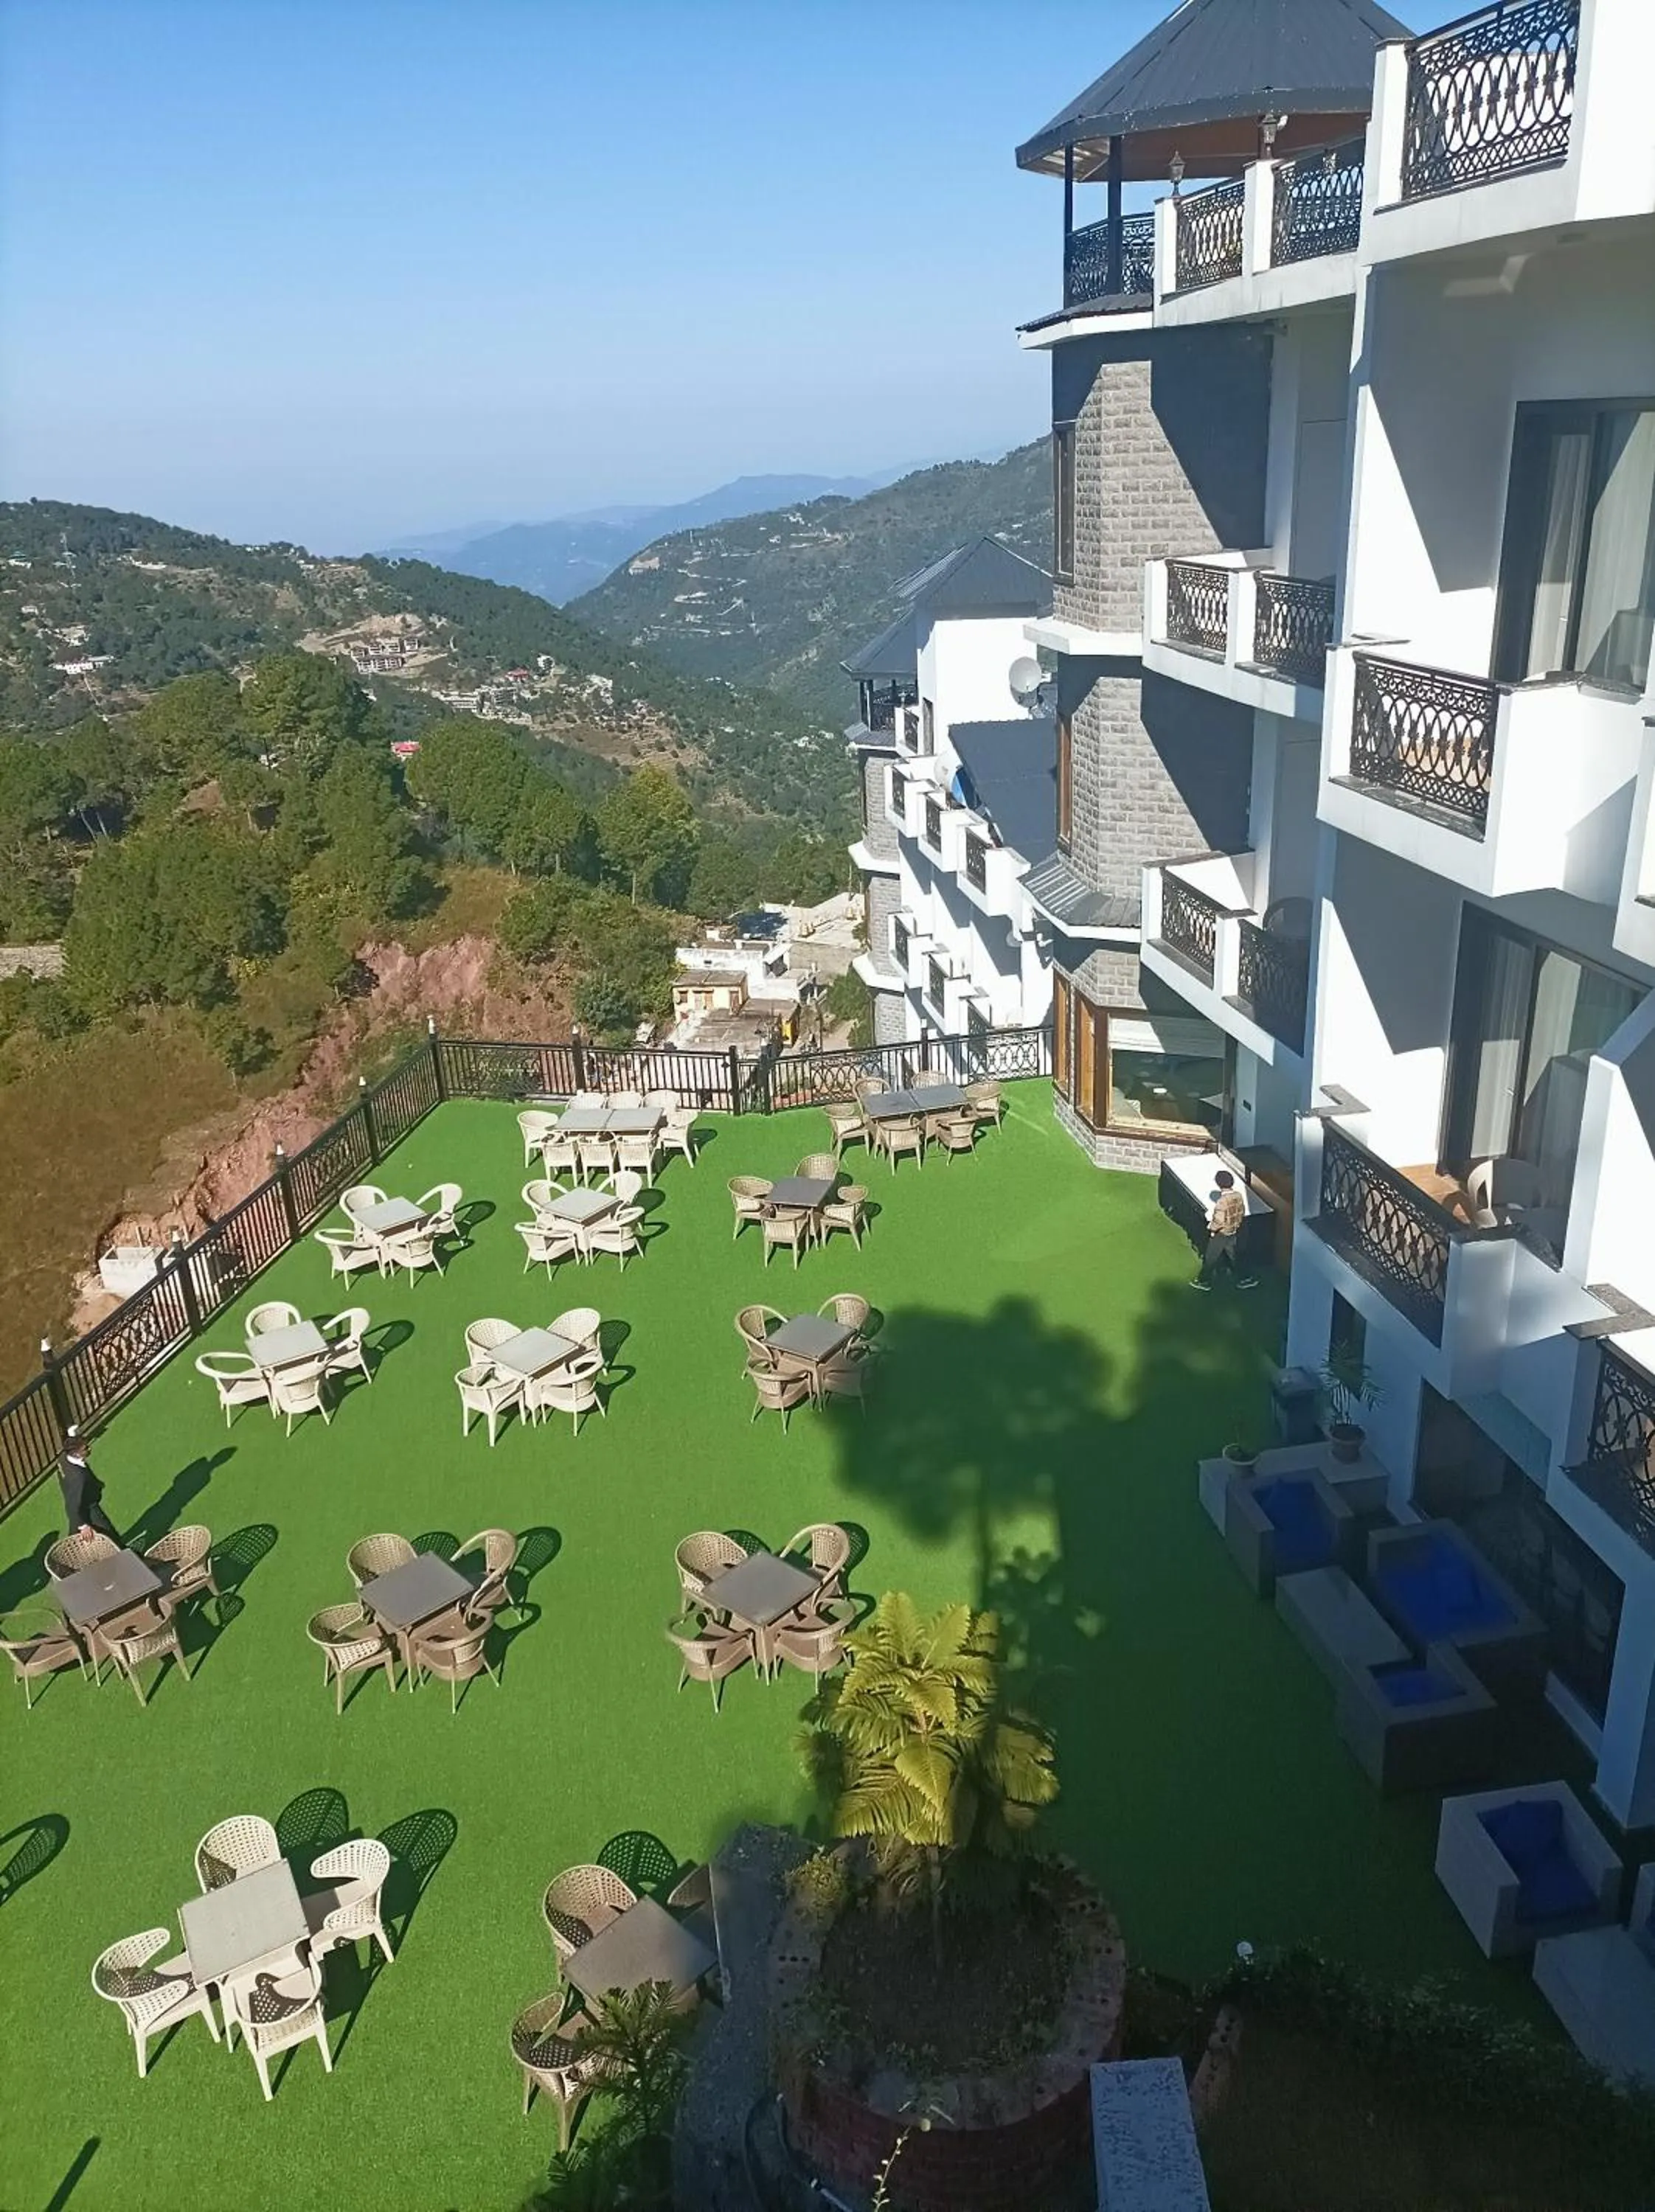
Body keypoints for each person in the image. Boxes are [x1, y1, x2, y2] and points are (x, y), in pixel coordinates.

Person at [1193, 1168, 1257, 1290]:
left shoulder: (1222, 1202)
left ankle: (1204, 1281)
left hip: (1221, 1234)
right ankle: (1246, 1278)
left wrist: (1212, 1229)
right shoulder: (1238, 1196)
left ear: (1219, 1184)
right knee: (1234, 1257)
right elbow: (1241, 1212)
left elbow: (1219, 1220)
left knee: (1210, 1258)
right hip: (1233, 1231)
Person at [57, 1429, 121, 1543]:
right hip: (87, 1507)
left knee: (77, 1538)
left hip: (81, 1503)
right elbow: (72, 1506)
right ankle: (124, 1551)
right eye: (85, 1449)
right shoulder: (78, 1478)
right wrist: (83, 1525)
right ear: (76, 1454)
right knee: (109, 1535)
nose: (89, 1449)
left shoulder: (63, 1459)